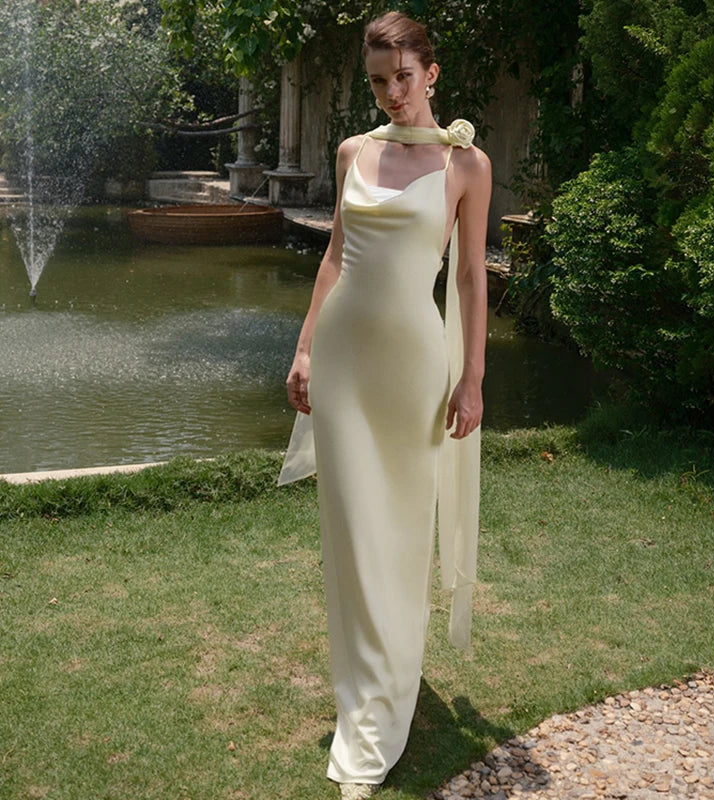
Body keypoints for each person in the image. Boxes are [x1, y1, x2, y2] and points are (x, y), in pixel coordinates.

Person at [278, 11, 491, 799]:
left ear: (430, 73)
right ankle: (362, 690)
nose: (392, 93)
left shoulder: (467, 165)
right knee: (351, 530)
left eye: (403, 77)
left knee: (400, 529)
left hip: (412, 368)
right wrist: (304, 348)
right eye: (378, 81)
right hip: (342, 360)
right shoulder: (352, 152)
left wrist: (472, 378)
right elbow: (336, 253)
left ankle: (391, 686)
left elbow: (469, 277)